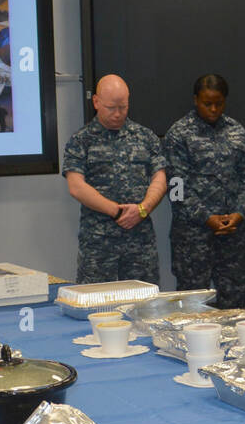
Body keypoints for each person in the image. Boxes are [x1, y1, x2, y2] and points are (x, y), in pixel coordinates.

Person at [63, 74, 168, 284]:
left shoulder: (145, 137)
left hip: (140, 244)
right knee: (98, 306)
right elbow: (76, 187)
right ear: (96, 102)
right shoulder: (81, 140)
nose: (118, 114)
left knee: (144, 306)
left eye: (123, 107)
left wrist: (142, 209)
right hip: (99, 245)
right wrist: (118, 212)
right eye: (111, 107)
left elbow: (160, 179)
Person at [163, 74, 245, 307]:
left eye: (219, 103)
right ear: (196, 100)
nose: (214, 109)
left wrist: (239, 213)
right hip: (193, 241)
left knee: (234, 309)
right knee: (193, 311)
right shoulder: (179, 134)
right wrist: (207, 218)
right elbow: (176, 188)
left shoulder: (237, 131)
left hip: (232, 237)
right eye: (207, 103)